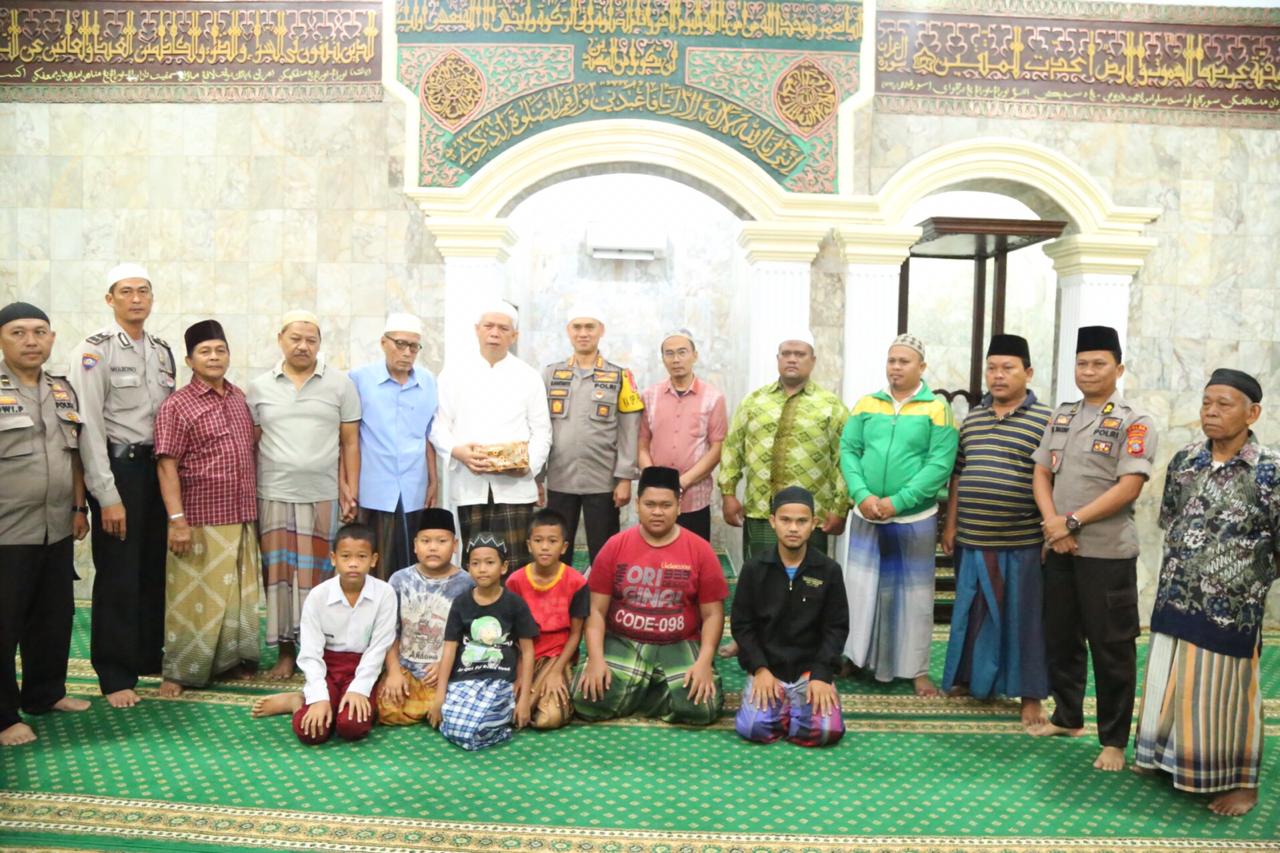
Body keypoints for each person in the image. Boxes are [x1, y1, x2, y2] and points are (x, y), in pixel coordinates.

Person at [1134, 369, 1277, 816]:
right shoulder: (1187, 459)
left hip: (1231, 609)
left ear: (1252, 412)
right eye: (1206, 403)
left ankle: (1242, 784)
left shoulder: (1270, 470)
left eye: (1224, 404)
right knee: (1171, 682)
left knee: (1228, 697)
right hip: (1176, 595)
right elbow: (1171, 519)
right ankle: (1166, 759)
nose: (1211, 412)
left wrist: (1244, 581)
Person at [1029, 325, 1156, 772]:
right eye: (1082, 363)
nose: (1088, 370)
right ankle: (1068, 717)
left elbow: (1129, 486)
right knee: (1061, 637)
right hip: (1060, 548)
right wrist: (1052, 525)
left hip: (1106, 553)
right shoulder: (1061, 415)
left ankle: (1115, 740)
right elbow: (1042, 473)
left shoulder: (1134, 420)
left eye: (1099, 363)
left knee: (1111, 646)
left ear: (1118, 369)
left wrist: (1073, 521)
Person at [69, 263, 176, 709]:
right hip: (120, 472)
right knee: (118, 574)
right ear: (110, 299)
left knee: (153, 569)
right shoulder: (94, 351)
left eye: (144, 291)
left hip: (157, 472)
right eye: (126, 292)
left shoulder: (163, 350)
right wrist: (106, 495)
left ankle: (146, 656)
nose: (137, 299)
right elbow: (88, 427)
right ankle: (114, 674)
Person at [940, 334, 1051, 724]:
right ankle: (971, 679)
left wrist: (1050, 534)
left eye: (1008, 368)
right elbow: (958, 475)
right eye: (992, 368)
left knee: (1023, 622)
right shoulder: (973, 418)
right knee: (973, 613)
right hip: (972, 538)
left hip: (1020, 541)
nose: (998, 376)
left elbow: (1053, 481)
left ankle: (1030, 697)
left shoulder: (1047, 420)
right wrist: (950, 524)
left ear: (1028, 372)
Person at [717, 331, 847, 659]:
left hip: (808, 518)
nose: (792, 359)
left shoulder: (831, 406)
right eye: (786, 353)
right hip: (761, 511)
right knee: (758, 581)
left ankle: (807, 643)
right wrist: (729, 492)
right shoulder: (755, 401)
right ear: (777, 359)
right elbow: (732, 447)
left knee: (808, 584)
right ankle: (747, 640)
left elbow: (845, 459)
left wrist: (840, 507)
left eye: (800, 354)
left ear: (812, 361)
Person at [247, 310, 362, 679]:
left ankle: (320, 653)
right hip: (274, 494)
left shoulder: (340, 385)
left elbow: (350, 442)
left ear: (320, 344)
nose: (303, 345)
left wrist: (350, 491)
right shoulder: (259, 387)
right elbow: (252, 444)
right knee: (279, 578)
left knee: (319, 580)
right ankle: (284, 652)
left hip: (322, 496)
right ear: (280, 339)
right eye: (296, 338)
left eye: (311, 339)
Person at [841, 334, 958, 696]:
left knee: (914, 597)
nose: (896, 367)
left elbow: (939, 464)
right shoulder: (866, 404)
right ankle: (853, 657)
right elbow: (849, 450)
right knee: (859, 590)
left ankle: (916, 669)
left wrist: (899, 501)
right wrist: (861, 494)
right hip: (866, 515)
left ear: (921, 367)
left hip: (912, 520)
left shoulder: (937, 409)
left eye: (904, 361)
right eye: (892, 361)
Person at [0, 302, 91, 746]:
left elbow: (73, 455)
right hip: (7, 532)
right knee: (5, 624)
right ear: (2, 339)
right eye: (18, 332)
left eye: (39, 332)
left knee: (53, 617)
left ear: (52, 339)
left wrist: (79, 508)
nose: (31, 341)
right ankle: (3, 716)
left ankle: (45, 693)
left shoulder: (62, 391)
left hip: (55, 527)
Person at [154, 320, 261, 698]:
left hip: (241, 513)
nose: (214, 357)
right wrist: (177, 520)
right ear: (189, 360)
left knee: (235, 597)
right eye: (205, 351)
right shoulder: (177, 405)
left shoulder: (237, 397)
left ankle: (229, 662)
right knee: (192, 599)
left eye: (220, 350)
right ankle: (179, 671)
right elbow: (167, 465)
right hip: (199, 517)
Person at [574, 466, 728, 725]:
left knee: (704, 707)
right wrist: (596, 659)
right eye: (650, 504)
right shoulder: (615, 546)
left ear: (679, 506)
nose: (658, 512)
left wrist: (704, 662)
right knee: (585, 698)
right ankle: (657, 689)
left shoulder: (700, 550)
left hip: (678, 643)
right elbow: (597, 610)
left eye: (666, 505)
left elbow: (713, 614)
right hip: (624, 641)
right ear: (637, 505)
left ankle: (636, 689)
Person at [431, 301, 551, 574]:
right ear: (477, 330)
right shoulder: (453, 374)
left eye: (503, 328)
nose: (495, 332)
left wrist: (527, 467)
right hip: (469, 483)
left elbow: (542, 431)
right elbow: (438, 426)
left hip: (515, 488)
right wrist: (459, 452)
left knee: (516, 563)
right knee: (474, 564)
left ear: (514, 335)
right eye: (489, 326)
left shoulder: (528, 376)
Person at [249, 523, 396, 745]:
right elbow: (310, 653)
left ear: (374, 560)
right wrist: (318, 697)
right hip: (326, 666)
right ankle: (297, 702)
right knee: (311, 732)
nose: (353, 563)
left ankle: (337, 702)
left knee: (351, 726)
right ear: (333, 558)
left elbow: (378, 649)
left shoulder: (385, 593)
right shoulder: (318, 596)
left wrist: (358, 689)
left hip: (363, 667)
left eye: (362, 557)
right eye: (346, 556)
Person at [732, 487, 848, 747]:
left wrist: (821, 674)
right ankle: (782, 704)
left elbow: (836, 628)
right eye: (785, 520)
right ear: (773, 522)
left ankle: (793, 705)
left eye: (801, 521)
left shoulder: (828, 570)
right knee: (755, 729)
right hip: (768, 669)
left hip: (809, 671)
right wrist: (759, 669)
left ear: (814, 524)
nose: (793, 528)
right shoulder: (754, 569)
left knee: (826, 732)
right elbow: (742, 626)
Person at [542, 304, 643, 566]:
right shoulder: (551, 375)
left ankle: (602, 605)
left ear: (601, 331)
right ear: (569, 331)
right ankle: (560, 604)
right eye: (577, 327)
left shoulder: (620, 375)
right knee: (556, 551)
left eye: (590, 327)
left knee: (605, 552)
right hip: (560, 478)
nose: (583, 333)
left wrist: (624, 478)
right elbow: (540, 428)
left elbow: (629, 430)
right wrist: (537, 477)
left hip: (603, 481)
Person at [428, 532, 540, 750]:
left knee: (475, 726)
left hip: (500, 681)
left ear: (504, 567)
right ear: (468, 568)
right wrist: (440, 695)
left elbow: (527, 652)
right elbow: (450, 649)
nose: (482, 569)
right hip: (464, 679)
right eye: (476, 563)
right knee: (456, 722)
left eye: (490, 563)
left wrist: (524, 699)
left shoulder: (515, 604)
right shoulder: (461, 603)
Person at [350, 312, 438, 579]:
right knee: (377, 562)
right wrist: (347, 487)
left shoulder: (428, 381)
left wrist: (434, 481)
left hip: (415, 487)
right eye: (400, 344)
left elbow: (428, 434)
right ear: (383, 343)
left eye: (413, 346)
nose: (407, 352)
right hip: (373, 488)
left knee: (414, 561)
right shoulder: (358, 379)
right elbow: (348, 438)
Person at [376, 508, 474, 726]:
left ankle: (433, 706)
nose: (433, 547)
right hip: (406, 669)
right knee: (386, 711)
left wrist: (444, 664)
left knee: (458, 711)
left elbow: (470, 636)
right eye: (426, 540)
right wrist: (393, 672)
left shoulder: (466, 583)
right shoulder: (399, 579)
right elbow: (389, 631)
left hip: (447, 668)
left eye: (441, 541)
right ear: (415, 545)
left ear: (455, 545)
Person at [638, 329, 727, 541]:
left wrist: (682, 482)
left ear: (694, 355)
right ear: (663, 358)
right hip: (655, 499)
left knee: (692, 559)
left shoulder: (713, 398)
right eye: (669, 353)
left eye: (682, 352)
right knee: (653, 556)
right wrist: (655, 480)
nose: (676, 359)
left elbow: (717, 449)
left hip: (694, 499)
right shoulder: (649, 396)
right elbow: (642, 443)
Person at [506, 508, 590, 729]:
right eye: (538, 540)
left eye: (552, 541)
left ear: (563, 547)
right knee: (505, 709)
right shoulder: (515, 581)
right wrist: (520, 675)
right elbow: (512, 634)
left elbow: (575, 634)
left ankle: (548, 697)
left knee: (548, 720)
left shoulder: (576, 582)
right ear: (528, 545)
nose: (544, 547)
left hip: (559, 657)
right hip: (524, 656)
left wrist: (555, 672)